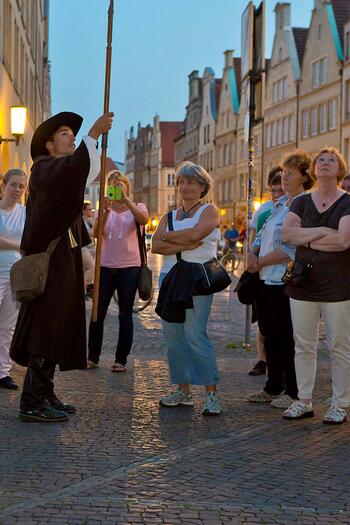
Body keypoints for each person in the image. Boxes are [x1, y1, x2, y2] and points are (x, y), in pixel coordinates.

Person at [10, 110, 114, 422]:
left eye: (73, 133)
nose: (71, 138)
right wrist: (92, 135)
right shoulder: (44, 170)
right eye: (65, 133)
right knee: (45, 329)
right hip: (50, 266)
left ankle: (45, 393)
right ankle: (32, 401)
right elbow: (73, 171)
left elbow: (79, 176)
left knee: (55, 329)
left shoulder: (58, 172)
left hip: (62, 266)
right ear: (50, 144)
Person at [282, 147, 350, 424]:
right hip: (303, 284)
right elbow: (287, 234)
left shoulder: (347, 202)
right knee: (304, 345)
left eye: (331, 160)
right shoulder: (300, 202)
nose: (324, 163)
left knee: (339, 346)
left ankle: (340, 403)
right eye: (320, 160)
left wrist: (305, 238)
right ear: (313, 169)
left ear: (340, 169)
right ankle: (304, 400)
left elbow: (344, 241)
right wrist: (323, 232)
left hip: (338, 285)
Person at [152, 161, 222, 416]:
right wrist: (182, 241)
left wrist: (169, 237)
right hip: (169, 277)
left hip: (196, 279)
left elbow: (196, 234)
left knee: (195, 336)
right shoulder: (168, 216)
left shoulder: (209, 211)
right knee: (174, 339)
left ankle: (212, 394)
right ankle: (183, 390)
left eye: (190, 182)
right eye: (181, 181)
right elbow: (155, 246)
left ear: (202, 186)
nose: (184, 186)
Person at [247, 150, 315, 409]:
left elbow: (293, 248)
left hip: (286, 280)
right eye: (283, 173)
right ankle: (273, 385)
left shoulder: (305, 206)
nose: (283, 178)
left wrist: (261, 261)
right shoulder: (279, 205)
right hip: (265, 279)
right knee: (269, 333)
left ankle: (293, 390)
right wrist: (252, 254)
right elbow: (261, 233)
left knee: (286, 337)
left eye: (289, 174)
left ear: (304, 177)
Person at [87, 170, 148, 372]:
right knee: (98, 313)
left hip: (130, 267)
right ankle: (93, 356)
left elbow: (144, 220)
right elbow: (95, 234)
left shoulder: (137, 206)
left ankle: (120, 360)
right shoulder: (105, 209)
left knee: (125, 314)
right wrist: (104, 212)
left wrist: (127, 202)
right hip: (105, 266)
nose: (117, 185)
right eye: (113, 183)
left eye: (120, 182)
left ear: (126, 186)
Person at [248, 168, 285, 377]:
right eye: (273, 190)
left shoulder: (291, 208)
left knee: (281, 325)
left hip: (281, 274)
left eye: (280, 190)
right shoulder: (263, 210)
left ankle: (279, 366)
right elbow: (254, 238)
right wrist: (251, 258)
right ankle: (262, 360)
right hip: (261, 273)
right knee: (263, 322)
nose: (277, 194)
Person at [0, 169, 27, 390]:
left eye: (21, 186)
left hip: (16, 275)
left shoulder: (26, 212)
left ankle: (2, 372)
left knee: (8, 326)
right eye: (13, 185)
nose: (17, 190)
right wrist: (20, 245)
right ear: (4, 185)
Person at [82, 202, 95, 299]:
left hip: (90, 248)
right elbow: (91, 233)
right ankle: (85, 287)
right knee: (92, 267)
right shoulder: (82, 221)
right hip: (83, 248)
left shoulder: (89, 220)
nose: (91, 211)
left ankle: (85, 291)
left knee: (86, 269)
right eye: (89, 209)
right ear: (84, 210)